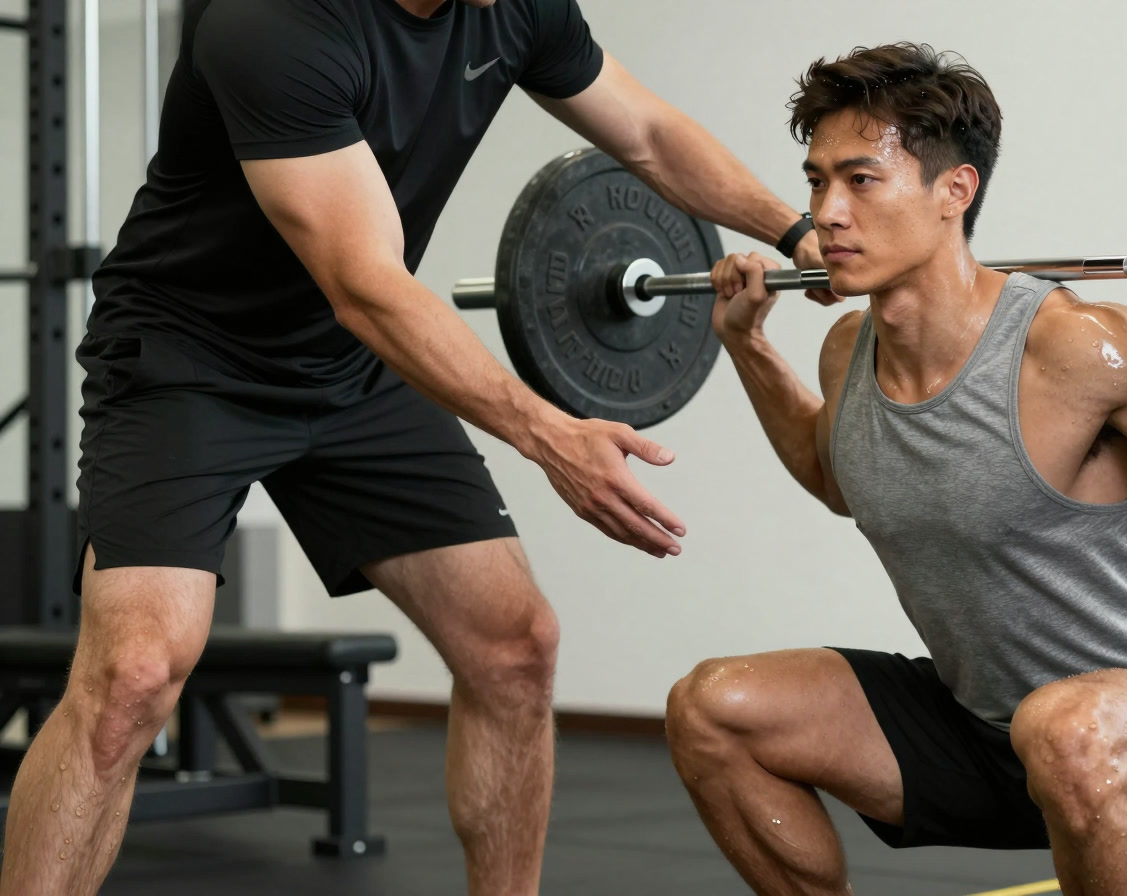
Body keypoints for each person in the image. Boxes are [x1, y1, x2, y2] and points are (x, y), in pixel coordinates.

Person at [0, 1, 830, 893]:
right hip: (191, 360)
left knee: (515, 646)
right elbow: (367, 285)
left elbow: (652, 135)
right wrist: (547, 435)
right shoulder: (270, 23)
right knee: (133, 676)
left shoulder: (515, 7)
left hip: (351, 362)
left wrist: (793, 231)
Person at [665, 42, 1127, 896]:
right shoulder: (850, 350)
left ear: (955, 191)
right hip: (982, 727)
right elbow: (841, 481)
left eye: (861, 181)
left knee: (1065, 727)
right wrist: (750, 347)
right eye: (816, 182)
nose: (825, 213)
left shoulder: (1080, 349)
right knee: (713, 709)